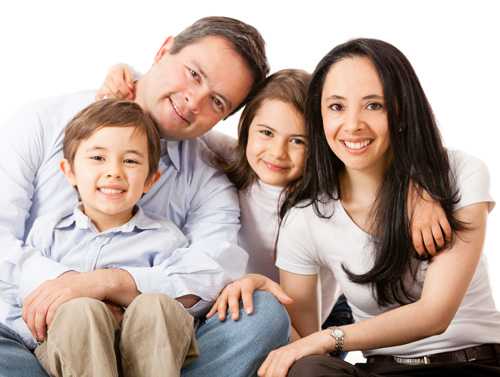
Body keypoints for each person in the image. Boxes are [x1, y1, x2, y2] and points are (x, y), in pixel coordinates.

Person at [0, 16, 290, 377]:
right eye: (194, 74)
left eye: (217, 101)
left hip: (156, 346)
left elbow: (212, 267)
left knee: (260, 316)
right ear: (164, 50)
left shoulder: (209, 171)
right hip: (32, 337)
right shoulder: (43, 122)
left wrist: (114, 285)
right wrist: (74, 294)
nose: (194, 101)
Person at [101, 66, 451, 347]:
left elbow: (391, 160)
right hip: (226, 309)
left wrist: (422, 191)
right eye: (266, 133)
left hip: (307, 316)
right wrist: (129, 77)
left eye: (297, 141)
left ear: (320, 144)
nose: (277, 153)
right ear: (246, 128)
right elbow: (171, 120)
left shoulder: (328, 194)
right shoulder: (228, 158)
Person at [257, 38, 500, 377]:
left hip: (472, 363)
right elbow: (304, 341)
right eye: (337, 107)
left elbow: (436, 314)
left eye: (374, 105)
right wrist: (258, 288)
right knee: (308, 370)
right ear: (319, 116)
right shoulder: (306, 217)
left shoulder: (458, 174)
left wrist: (331, 337)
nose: (353, 124)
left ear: (401, 110)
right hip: (380, 370)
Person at [1, 99, 198, 377]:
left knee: (157, 304)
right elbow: (24, 293)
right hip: (70, 352)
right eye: (97, 158)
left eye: (130, 161)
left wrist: (121, 300)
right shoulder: (50, 230)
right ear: (69, 171)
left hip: (146, 354)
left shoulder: (165, 238)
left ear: (150, 180)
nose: (114, 171)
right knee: (81, 311)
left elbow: (183, 301)